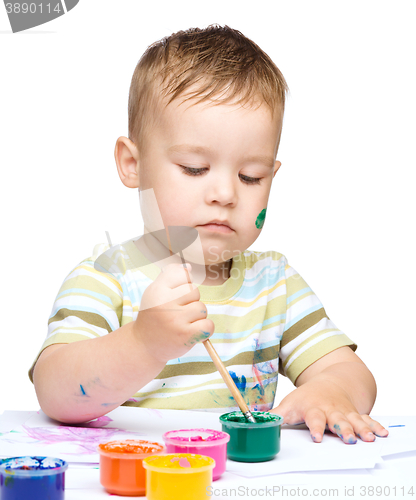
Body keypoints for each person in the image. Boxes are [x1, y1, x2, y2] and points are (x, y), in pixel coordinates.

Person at [30, 25, 388, 444]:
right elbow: (54, 392)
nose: (224, 193)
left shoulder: (275, 285)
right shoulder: (106, 278)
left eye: (250, 176)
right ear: (133, 164)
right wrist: (144, 343)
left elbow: (354, 376)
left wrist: (331, 390)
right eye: (195, 169)